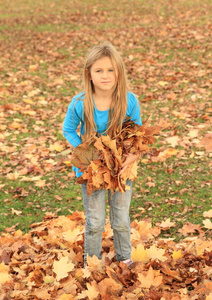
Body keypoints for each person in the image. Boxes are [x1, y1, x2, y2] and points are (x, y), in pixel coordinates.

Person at [63, 41, 142, 267]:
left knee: (121, 219)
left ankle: (124, 260)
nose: (105, 76)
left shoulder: (129, 101)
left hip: (121, 168)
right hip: (91, 169)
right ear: (89, 73)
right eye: (99, 70)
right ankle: (93, 263)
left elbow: (138, 135)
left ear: (119, 72)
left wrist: (132, 157)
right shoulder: (80, 102)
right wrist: (86, 153)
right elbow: (68, 129)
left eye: (110, 70)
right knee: (95, 220)